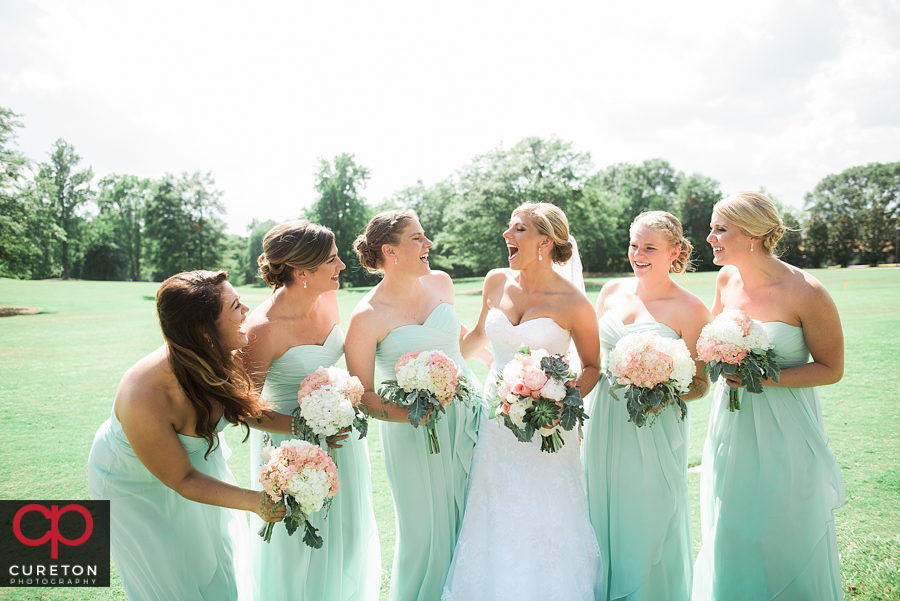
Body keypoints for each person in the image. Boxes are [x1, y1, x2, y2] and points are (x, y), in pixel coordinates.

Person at [87, 270, 287, 601]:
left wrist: (311, 425)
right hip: (134, 486)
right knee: (170, 579)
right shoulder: (143, 395)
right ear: (203, 331)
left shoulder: (220, 356)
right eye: (235, 305)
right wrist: (255, 501)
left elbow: (250, 410)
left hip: (196, 468)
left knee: (215, 560)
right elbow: (182, 479)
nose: (246, 310)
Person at [442, 202, 602, 600]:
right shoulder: (496, 281)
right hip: (495, 418)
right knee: (493, 501)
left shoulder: (574, 303)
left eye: (518, 230)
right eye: (509, 228)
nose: (506, 236)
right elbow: (478, 338)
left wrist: (559, 403)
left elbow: (593, 366)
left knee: (545, 508)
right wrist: (440, 357)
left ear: (545, 241)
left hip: (548, 422)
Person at [693, 192, 846, 601]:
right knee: (732, 523)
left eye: (720, 229)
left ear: (754, 235)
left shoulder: (806, 291)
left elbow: (832, 369)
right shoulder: (725, 279)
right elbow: (710, 342)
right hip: (731, 423)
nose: (709, 237)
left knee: (781, 526)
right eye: (712, 227)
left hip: (785, 428)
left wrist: (761, 376)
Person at [238, 221, 380, 601]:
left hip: (342, 443)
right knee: (296, 548)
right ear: (302, 272)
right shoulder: (261, 329)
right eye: (332, 261)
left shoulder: (328, 300)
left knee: (346, 536)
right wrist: (304, 428)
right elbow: (246, 409)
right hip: (289, 452)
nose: (342, 267)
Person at [344, 210, 480, 601]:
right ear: (390, 250)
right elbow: (362, 394)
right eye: (418, 238)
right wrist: (411, 415)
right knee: (426, 532)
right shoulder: (367, 316)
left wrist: (502, 369)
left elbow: (455, 340)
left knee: (476, 519)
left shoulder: (441, 283)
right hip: (413, 432)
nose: (429, 245)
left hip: (471, 416)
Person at [581, 211, 712, 601]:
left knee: (649, 512)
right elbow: (591, 359)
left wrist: (659, 389)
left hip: (655, 424)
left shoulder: (691, 309)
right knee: (601, 507)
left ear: (675, 252)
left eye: (649, 247)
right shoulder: (610, 291)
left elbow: (701, 384)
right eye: (634, 244)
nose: (638, 254)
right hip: (605, 418)